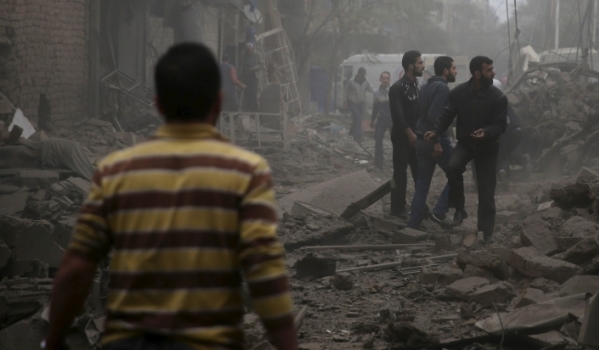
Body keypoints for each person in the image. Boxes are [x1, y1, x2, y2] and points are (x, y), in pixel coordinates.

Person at [44, 42, 297, 350]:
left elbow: (77, 269)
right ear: (218, 103)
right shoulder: (246, 173)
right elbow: (265, 273)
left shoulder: (116, 171)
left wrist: (53, 338)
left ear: (158, 104)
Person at [425, 56, 507, 243]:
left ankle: (486, 233)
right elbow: (447, 115)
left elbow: (501, 126)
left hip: (488, 147)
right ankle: (459, 209)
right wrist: (436, 131)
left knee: (486, 190)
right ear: (477, 74)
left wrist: (486, 132)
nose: (493, 73)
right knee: (453, 167)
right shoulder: (459, 93)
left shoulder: (498, 97)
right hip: (466, 144)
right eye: (489, 70)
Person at [408, 56, 456, 230]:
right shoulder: (442, 88)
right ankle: (440, 212)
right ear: (445, 71)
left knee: (422, 185)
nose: (456, 71)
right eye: (453, 68)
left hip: (420, 138)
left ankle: (413, 225)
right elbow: (434, 117)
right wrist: (436, 141)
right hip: (435, 139)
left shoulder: (425, 86)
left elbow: (419, 114)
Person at [389, 50, 424, 218]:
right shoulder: (397, 88)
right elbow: (398, 115)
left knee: (419, 171)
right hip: (402, 137)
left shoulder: (416, 86)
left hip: (416, 137)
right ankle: (397, 208)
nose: (422, 66)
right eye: (419, 63)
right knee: (400, 173)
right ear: (411, 66)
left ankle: (420, 205)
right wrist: (409, 133)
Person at [344, 67, 374, 143]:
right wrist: (345, 101)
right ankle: (359, 135)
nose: (363, 76)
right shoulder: (351, 81)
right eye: (362, 74)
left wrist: (378, 92)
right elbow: (345, 91)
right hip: (352, 102)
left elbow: (371, 88)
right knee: (358, 117)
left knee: (356, 119)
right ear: (358, 74)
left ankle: (350, 134)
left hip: (361, 103)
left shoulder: (366, 81)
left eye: (364, 74)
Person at [370, 71, 392, 169]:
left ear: (389, 80)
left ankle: (397, 163)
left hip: (393, 120)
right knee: (378, 140)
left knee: (396, 141)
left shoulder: (394, 91)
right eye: (383, 78)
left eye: (387, 78)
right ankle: (378, 163)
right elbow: (375, 108)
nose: (385, 80)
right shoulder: (376, 93)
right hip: (381, 120)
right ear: (380, 80)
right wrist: (372, 120)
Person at [242, 42, 259, 112]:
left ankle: (254, 109)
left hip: (254, 75)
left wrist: (253, 68)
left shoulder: (257, 54)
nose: (248, 51)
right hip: (246, 75)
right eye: (247, 50)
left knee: (253, 92)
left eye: (249, 49)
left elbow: (262, 65)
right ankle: (247, 108)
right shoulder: (243, 54)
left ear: (252, 49)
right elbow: (241, 64)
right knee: (246, 92)